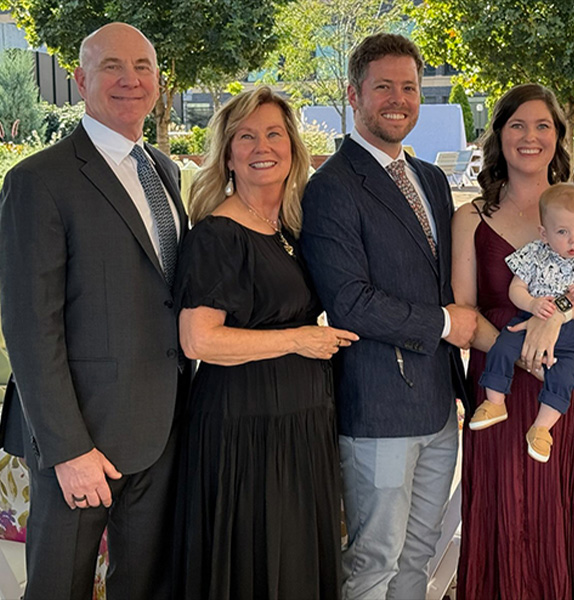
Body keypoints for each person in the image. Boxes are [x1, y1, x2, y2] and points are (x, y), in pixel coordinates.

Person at [0, 23, 189, 600]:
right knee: (59, 587)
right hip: (81, 445)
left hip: (162, 428)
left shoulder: (166, 170)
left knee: (147, 585)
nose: (130, 80)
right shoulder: (39, 181)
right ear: (81, 80)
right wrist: (69, 450)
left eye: (143, 66)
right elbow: (31, 329)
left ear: (159, 81)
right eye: (112, 67)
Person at [300, 33, 477, 600]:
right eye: (384, 87)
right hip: (376, 410)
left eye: (409, 87)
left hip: (437, 404)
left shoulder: (430, 178)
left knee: (418, 556)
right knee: (375, 559)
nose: (398, 99)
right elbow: (349, 300)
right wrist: (447, 325)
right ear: (354, 95)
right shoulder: (330, 187)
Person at [452, 83, 574, 599]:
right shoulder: (471, 217)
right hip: (502, 381)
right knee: (514, 512)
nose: (530, 137)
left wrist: (559, 317)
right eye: (517, 125)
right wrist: (525, 355)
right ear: (499, 135)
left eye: (543, 126)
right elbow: (464, 309)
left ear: (559, 137)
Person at [173, 86, 356, 599]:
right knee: (253, 565)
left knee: (295, 566)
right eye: (246, 136)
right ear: (228, 153)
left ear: (294, 148)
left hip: (301, 424)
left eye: (274, 134)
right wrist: (297, 338)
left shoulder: (293, 227)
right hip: (244, 431)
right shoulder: (217, 235)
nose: (262, 146)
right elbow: (198, 340)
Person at [470, 183, 574, 464]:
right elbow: (516, 288)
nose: (573, 240)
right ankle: (494, 402)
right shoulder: (535, 254)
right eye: (562, 232)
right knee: (503, 347)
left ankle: (542, 428)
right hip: (532, 318)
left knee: (564, 376)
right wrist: (530, 304)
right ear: (544, 233)